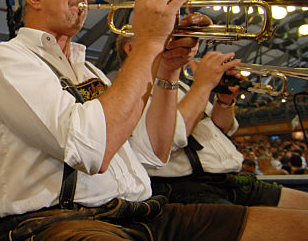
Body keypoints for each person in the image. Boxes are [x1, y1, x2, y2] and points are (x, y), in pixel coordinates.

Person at [0, 0, 308, 241]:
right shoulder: (7, 59)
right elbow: (91, 151)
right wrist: (150, 42)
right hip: (54, 228)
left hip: (142, 213)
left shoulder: (89, 70)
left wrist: (169, 69)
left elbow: (154, 152)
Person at [119, 36, 308, 209]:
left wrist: (225, 100)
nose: (171, 45)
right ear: (130, 48)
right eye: (160, 38)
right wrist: (203, 85)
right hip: (189, 186)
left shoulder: (182, 85)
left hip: (232, 180)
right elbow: (166, 140)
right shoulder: (126, 89)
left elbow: (222, 129)